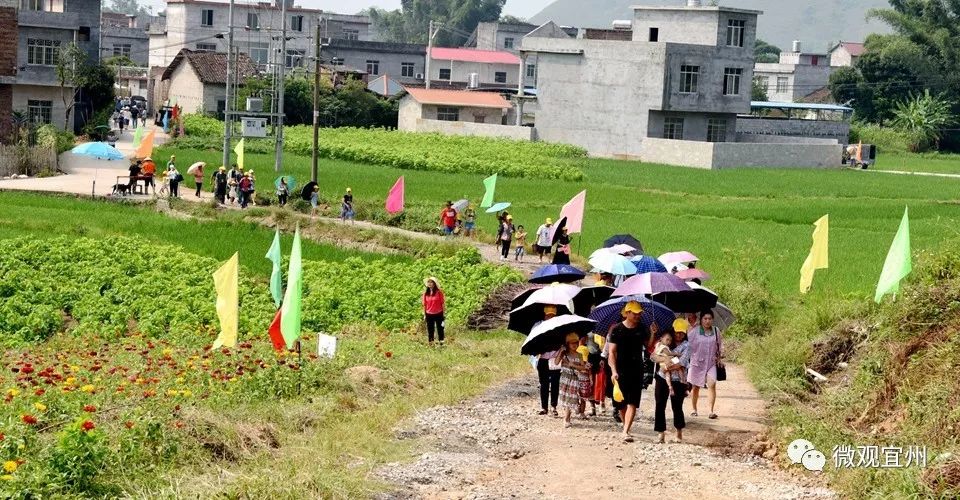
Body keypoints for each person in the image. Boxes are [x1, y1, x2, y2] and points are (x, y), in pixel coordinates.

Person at [608, 300, 656, 443]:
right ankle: (626, 426)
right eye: (634, 313)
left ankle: (626, 430)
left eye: (639, 313)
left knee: (632, 402)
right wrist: (613, 371)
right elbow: (612, 352)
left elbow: (648, 345)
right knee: (621, 402)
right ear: (627, 313)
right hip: (620, 369)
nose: (637, 316)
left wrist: (653, 334)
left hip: (637, 368)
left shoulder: (642, 328)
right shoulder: (616, 329)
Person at [652, 327, 690, 443]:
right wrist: (664, 362)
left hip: (678, 380)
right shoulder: (666, 342)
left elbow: (681, 362)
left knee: (677, 406)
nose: (678, 335)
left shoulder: (686, 345)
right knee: (659, 404)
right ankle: (660, 433)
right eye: (676, 332)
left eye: (681, 332)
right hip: (662, 377)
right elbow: (653, 356)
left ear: (685, 333)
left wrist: (666, 365)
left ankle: (679, 432)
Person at [687, 310, 723, 419]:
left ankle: (711, 411)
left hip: (711, 363)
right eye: (705, 319)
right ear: (701, 319)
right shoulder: (695, 331)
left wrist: (720, 357)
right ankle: (694, 409)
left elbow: (720, 345)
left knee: (712, 385)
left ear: (712, 320)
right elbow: (687, 345)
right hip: (697, 363)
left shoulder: (716, 331)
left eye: (709, 319)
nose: (707, 321)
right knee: (695, 387)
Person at [555, 333, 589, 428]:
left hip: (574, 379)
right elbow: (556, 362)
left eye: (576, 343)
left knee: (571, 397)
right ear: (567, 344)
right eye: (572, 343)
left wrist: (573, 365)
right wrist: (560, 352)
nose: (574, 345)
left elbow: (583, 368)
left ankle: (567, 418)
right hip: (564, 378)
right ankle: (567, 417)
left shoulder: (579, 355)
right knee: (566, 398)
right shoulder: (564, 354)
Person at [536, 306, 561, 416]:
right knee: (544, 384)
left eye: (552, 315)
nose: (550, 317)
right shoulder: (538, 327)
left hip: (555, 360)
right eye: (548, 315)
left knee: (555, 383)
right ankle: (544, 407)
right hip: (543, 359)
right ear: (545, 315)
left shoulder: (559, 328)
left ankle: (553, 406)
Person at [422, 277, 445, 347]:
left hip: (439, 313)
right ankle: (431, 343)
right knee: (430, 329)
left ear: (434, 284)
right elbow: (424, 305)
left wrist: (444, 313)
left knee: (440, 328)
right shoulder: (425, 293)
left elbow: (443, 303)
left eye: (431, 282)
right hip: (429, 314)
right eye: (428, 282)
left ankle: (441, 343)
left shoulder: (439, 292)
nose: (429, 283)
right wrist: (424, 314)